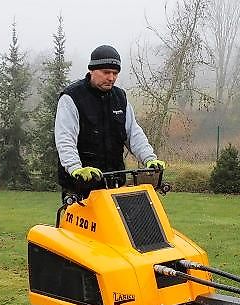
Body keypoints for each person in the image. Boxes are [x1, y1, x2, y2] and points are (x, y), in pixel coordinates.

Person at [55, 44, 165, 199]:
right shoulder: (72, 97)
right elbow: (65, 138)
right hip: (81, 188)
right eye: (106, 72)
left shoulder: (120, 98)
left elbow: (133, 133)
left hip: (116, 185)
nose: (111, 78)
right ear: (92, 70)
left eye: (115, 73)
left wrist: (149, 159)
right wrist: (75, 168)